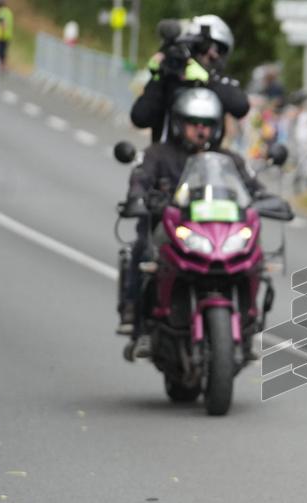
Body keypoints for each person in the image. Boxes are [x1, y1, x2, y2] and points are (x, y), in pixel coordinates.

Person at [118, 88, 266, 348]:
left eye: (207, 124)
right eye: (194, 123)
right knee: (144, 251)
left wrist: (268, 199)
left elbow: (253, 187)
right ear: (178, 123)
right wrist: (138, 198)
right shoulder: (158, 155)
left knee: (257, 260)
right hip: (172, 228)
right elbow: (140, 179)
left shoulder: (228, 159)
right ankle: (138, 320)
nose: (201, 130)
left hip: (217, 232)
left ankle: (249, 321)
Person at [131, 14, 249, 144]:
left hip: (207, 161)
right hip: (166, 160)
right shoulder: (171, 76)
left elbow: (240, 106)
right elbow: (140, 118)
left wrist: (207, 81)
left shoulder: (220, 82)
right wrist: (158, 78)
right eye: (208, 47)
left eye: (219, 50)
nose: (213, 54)